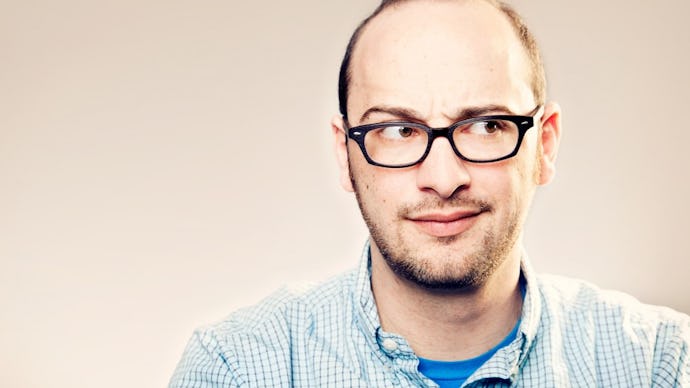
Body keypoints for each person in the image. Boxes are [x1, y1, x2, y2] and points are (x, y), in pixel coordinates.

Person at [169, 0, 690, 386]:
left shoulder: (661, 365)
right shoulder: (236, 369)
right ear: (345, 154)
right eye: (398, 131)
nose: (443, 178)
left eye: (486, 126)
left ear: (544, 145)